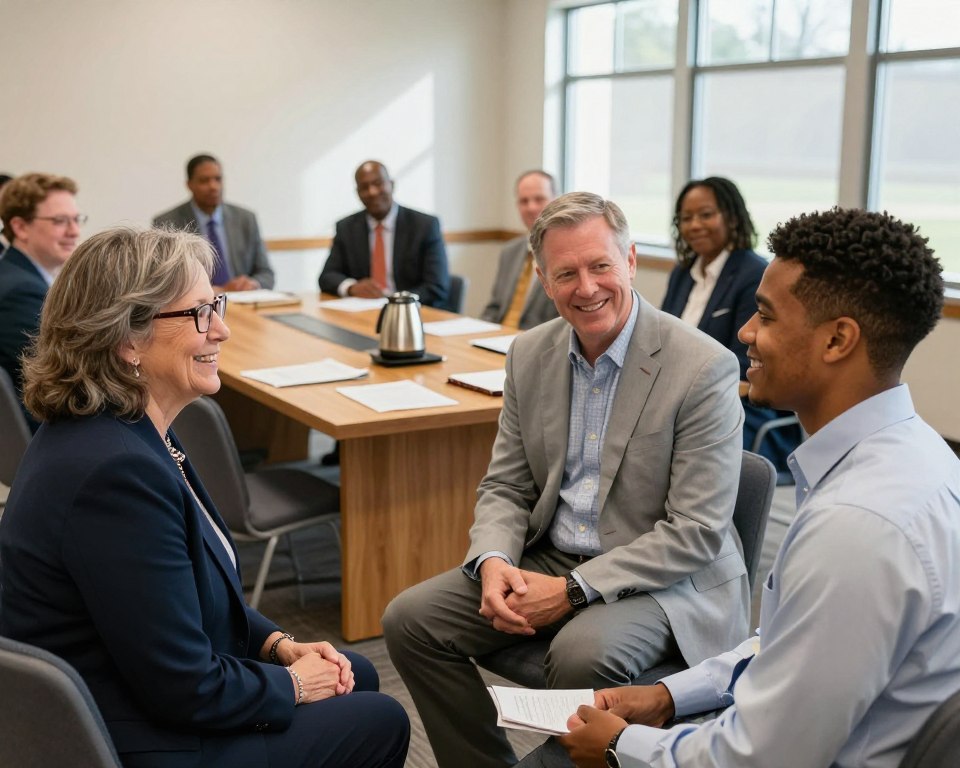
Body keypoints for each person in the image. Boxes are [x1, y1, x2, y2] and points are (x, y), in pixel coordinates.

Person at [546, 207, 958, 768]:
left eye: (765, 315)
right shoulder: (913, 454)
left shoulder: (858, 528)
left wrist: (620, 747)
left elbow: (763, 756)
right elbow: (789, 644)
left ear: (837, 340)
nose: (745, 333)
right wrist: (670, 695)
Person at [0, 227, 409, 768]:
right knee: (382, 715)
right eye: (199, 313)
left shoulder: (127, 428)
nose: (222, 329)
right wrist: (291, 685)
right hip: (126, 735)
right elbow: (183, 685)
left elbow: (192, 593)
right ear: (127, 338)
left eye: (215, 305)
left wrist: (279, 645)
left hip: (133, 687)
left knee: (359, 674)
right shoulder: (114, 472)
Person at [383, 192, 749, 768]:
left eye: (601, 265)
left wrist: (574, 591)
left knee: (581, 654)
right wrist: (494, 562)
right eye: (566, 273)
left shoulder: (702, 366)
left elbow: (697, 532)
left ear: (630, 261)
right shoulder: (529, 353)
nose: (587, 287)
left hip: (663, 579)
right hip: (550, 556)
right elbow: (506, 485)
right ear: (542, 280)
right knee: (411, 619)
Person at [661, 176, 801, 474]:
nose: (695, 225)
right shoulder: (683, 273)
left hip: (741, 408)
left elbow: (744, 361)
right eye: (686, 218)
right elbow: (660, 339)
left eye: (706, 214)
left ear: (732, 217)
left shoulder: (754, 274)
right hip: (683, 401)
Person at [0, 172, 83, 432]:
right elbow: (62, 380)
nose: (74, 231)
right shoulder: (21, 292)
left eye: (76, 220)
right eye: (60, 221)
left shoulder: (15, 275)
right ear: (20, 227)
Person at [318, 160, 449, 307]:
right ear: (358, 193)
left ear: (392, 184)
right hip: (364, 313)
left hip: (411, 314)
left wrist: (393, 302)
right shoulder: (347, 227)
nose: (372, 192)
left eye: (378, 183)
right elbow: (327, 277)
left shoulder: (424, 226)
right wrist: (351, 287)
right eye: (364, 187)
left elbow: (436, 287)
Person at [154, 154, 275, 291]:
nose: (213, 186)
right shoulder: (167, 224)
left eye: (218, 179)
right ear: (189, 185)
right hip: (196, 306)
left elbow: (266, 274)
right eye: (204, 181)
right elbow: (162, 282)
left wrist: (253, 283)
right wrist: (207, 290)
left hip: (239, 301)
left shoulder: (246, 219)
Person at [481, 170, 560, 329]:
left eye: (539, 199)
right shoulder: (510, 251)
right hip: (495, 340)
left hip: (535, 344)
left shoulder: (565, 254)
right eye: (524, 201)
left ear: (556, 200)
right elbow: (494, 307)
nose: (531, 207)